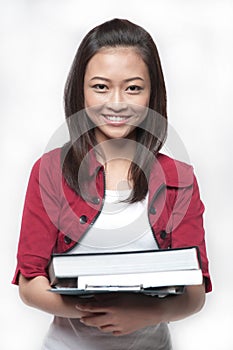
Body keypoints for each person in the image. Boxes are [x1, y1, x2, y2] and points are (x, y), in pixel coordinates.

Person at [12, 18, 212, 349]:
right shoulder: (49, 171)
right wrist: (99, 309)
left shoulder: (179, 178)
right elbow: (29, 282)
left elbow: (195, 293)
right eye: (101, 87)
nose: (116, 102)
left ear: (152, 93)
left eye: (133, 87)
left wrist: (144, 313)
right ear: (81, 90)